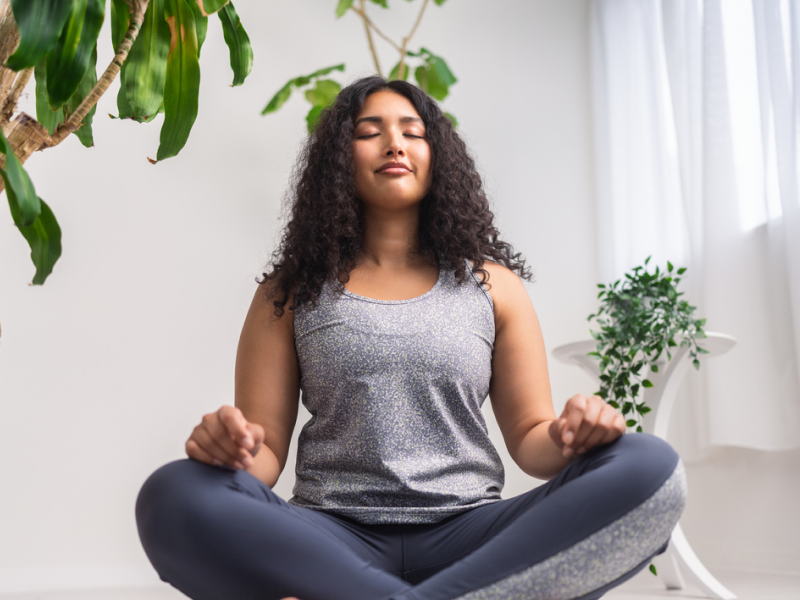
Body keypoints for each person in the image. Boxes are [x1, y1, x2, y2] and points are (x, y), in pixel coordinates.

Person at [135, 76, 687, 600]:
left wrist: (575, 435)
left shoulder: (494, 286)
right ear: (337, 161)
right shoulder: (290, 292)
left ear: (436, 156)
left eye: (412, 131)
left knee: (647, 465)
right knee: (172, 495)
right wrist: (228, 452)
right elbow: (266, 456)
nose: (393, 142)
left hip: (475, 537)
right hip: (328, 543)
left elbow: (531, 440)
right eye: (369, 131)